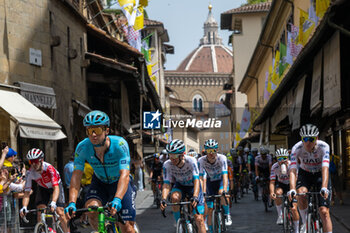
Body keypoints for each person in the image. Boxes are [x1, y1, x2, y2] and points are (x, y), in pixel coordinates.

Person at [64, 110, 136, 233]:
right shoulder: (82, 147)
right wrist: (72, 203)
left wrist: (117, 199)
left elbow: (124, 175)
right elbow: (76, 176)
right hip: (100, 182)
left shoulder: (119, 144)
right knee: (91, 211)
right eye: (89, 131)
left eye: (97, 130)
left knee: (127, 229)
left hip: (119, 182)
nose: (93, 135)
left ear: (106, 131)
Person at [289, 124, 332, 233]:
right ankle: (304, 222)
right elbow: (293, 170)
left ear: (316, 138)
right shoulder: (296, 148)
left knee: (324, 212)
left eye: (311, 139)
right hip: (305, 174)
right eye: (305, 139)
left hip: (320, 174)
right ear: (302, 139)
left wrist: (324, 187)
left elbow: (325, 168)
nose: (308, 142)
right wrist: (292, 188)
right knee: (301, 193)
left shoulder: (324, 146)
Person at [160, 139, 206, 233]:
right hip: (180, 185)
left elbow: (197, 180)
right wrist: (164, 199)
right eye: (170, 155)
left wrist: (195, 196)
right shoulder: (167, 164)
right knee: (174, 197)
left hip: (193, 186)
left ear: (182, 155)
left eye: (175, 155)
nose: (172, 158)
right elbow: (166, 184)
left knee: (199, 219)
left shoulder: (191, 161)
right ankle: (179, 224)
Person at [20, 148, 68, 233]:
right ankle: (42, 229)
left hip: (55, 186)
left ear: (41, 160)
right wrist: (24, 207)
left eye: (35, 161)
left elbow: (56, 188)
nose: (33, 164)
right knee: (40, 211)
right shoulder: (29, 173)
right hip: (43, 188)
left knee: (60, 211)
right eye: (31, 162)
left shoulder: (49, 168)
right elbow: (27, 193)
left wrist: (53, 202)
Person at [198, 139, 232, 233]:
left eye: (213, 150)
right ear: (205, 151)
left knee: (222, 193)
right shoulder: (201, 160)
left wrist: (225, 189)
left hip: (221, 180)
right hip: (210, 181)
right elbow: (200, 178)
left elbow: (225, 175)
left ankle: (227, 214)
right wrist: (201, 193)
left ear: (217, 150)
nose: (211, 153)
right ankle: (211, 230)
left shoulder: (222, 158)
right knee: (209, 208)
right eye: (208, 151)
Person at [269, 148, 300, 232]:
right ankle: (280, 215)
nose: (282, 161)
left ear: (288, 158)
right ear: (276, 159)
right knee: (278, 193)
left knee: (293, 208)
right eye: (279, 159)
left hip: (292, 184)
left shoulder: (292, 165)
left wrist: (293, 190)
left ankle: (297, 230)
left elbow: (296, 179)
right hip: (281, 184)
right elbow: (272, 181)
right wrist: (272, 193)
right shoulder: (274, 167)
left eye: (284, 158)